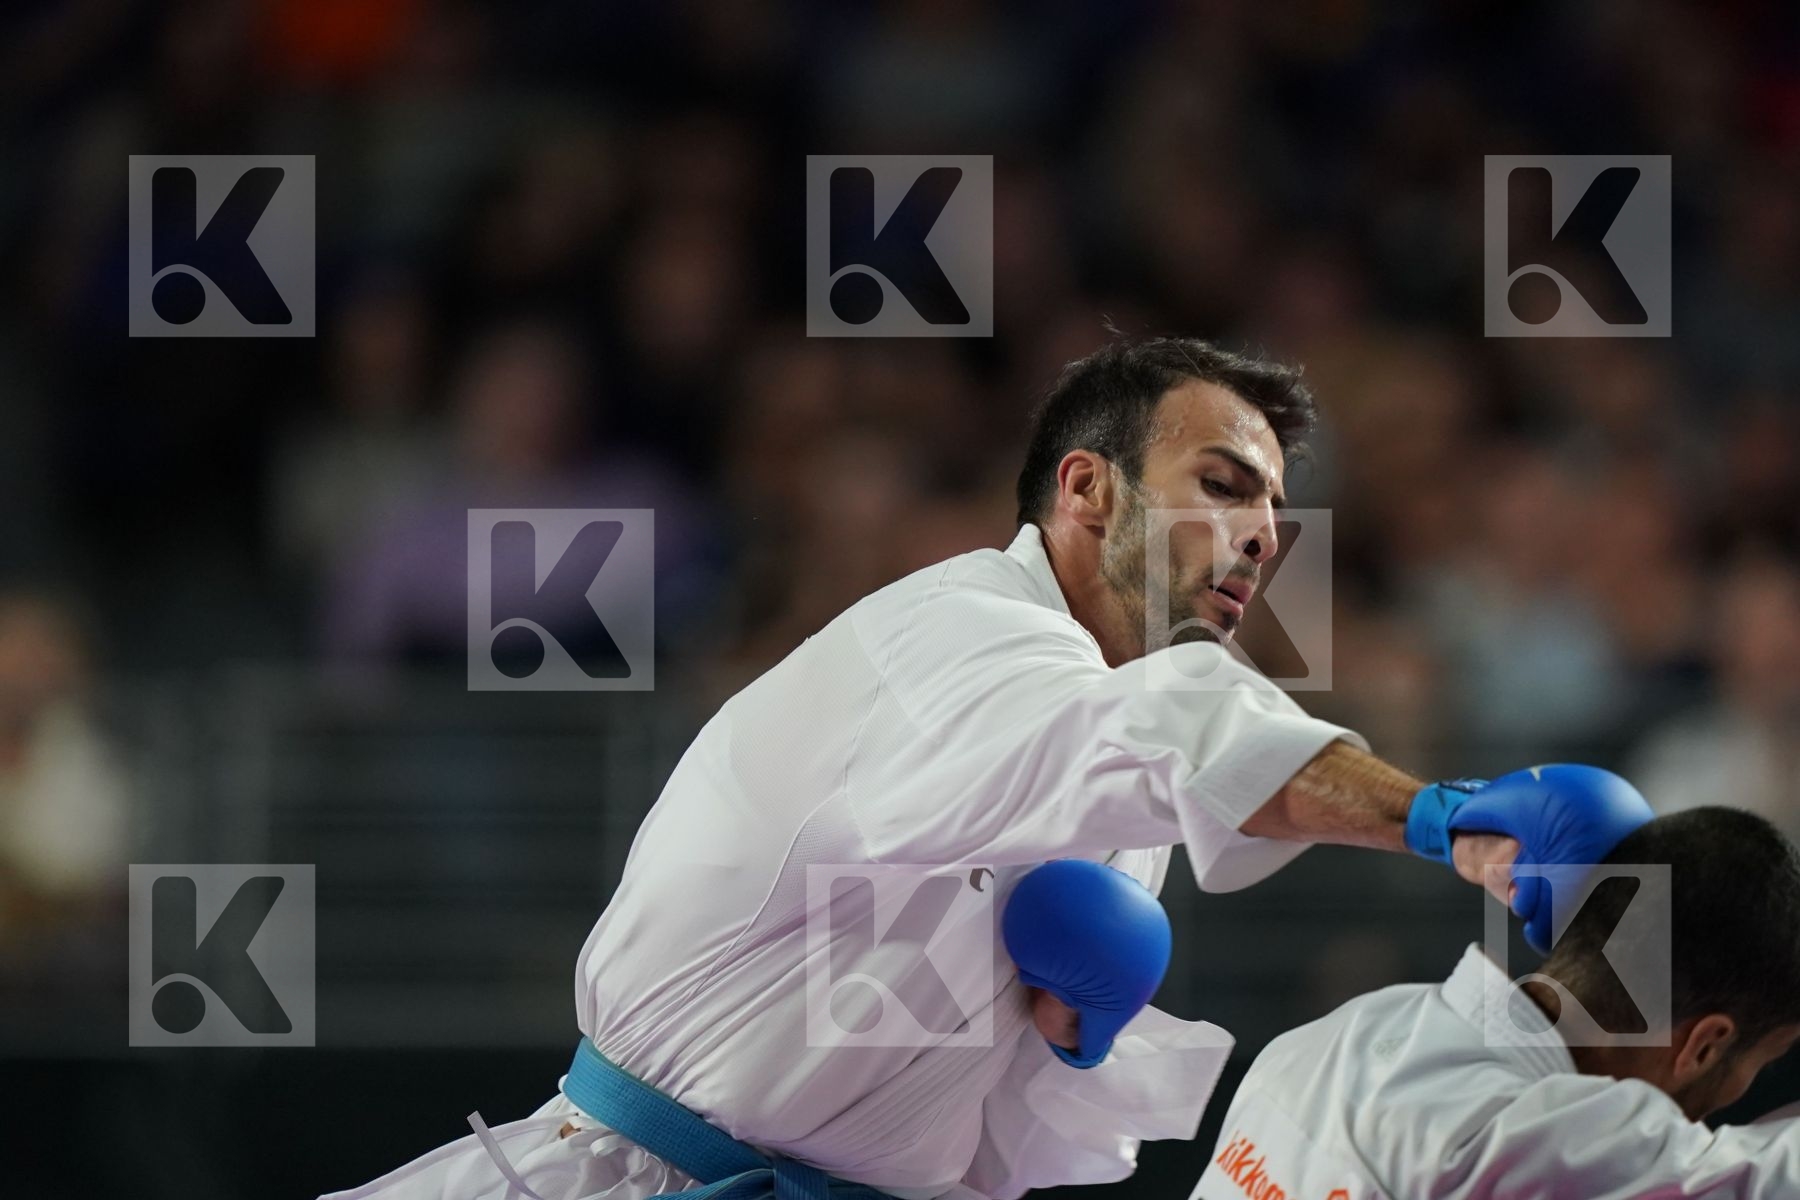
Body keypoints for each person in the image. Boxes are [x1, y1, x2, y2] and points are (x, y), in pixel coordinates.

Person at [323, 336, 1650, 1200]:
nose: (1263, 533)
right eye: (1223, 484)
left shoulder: (1112, 787)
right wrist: (1443, 816)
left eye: (1273, 505)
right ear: (1086, 492)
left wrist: (1072, 1047)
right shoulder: (956, 631)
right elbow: (1174, 725)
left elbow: (994, 1150)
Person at [1191, 806, 1800, 1200]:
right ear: (1706, 1045)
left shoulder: (1343, 1030)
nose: (1743, 1088)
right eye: (1761, 1062)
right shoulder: (1536, 1136)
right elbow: (1771, 1176)